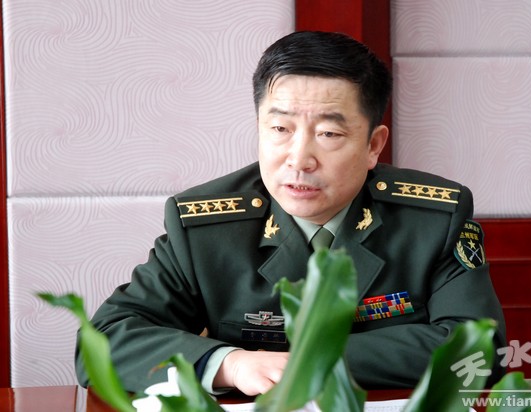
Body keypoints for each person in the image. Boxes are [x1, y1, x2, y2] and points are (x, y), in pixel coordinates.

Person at [76, 30, 506, 395]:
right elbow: (103, 342)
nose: (299, 159)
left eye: (329, 133)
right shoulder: (205, 227)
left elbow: (479, 350)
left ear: (373, 145)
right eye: (280, 128)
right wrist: (229, 364)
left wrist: (304, 362)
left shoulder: (433, 218)